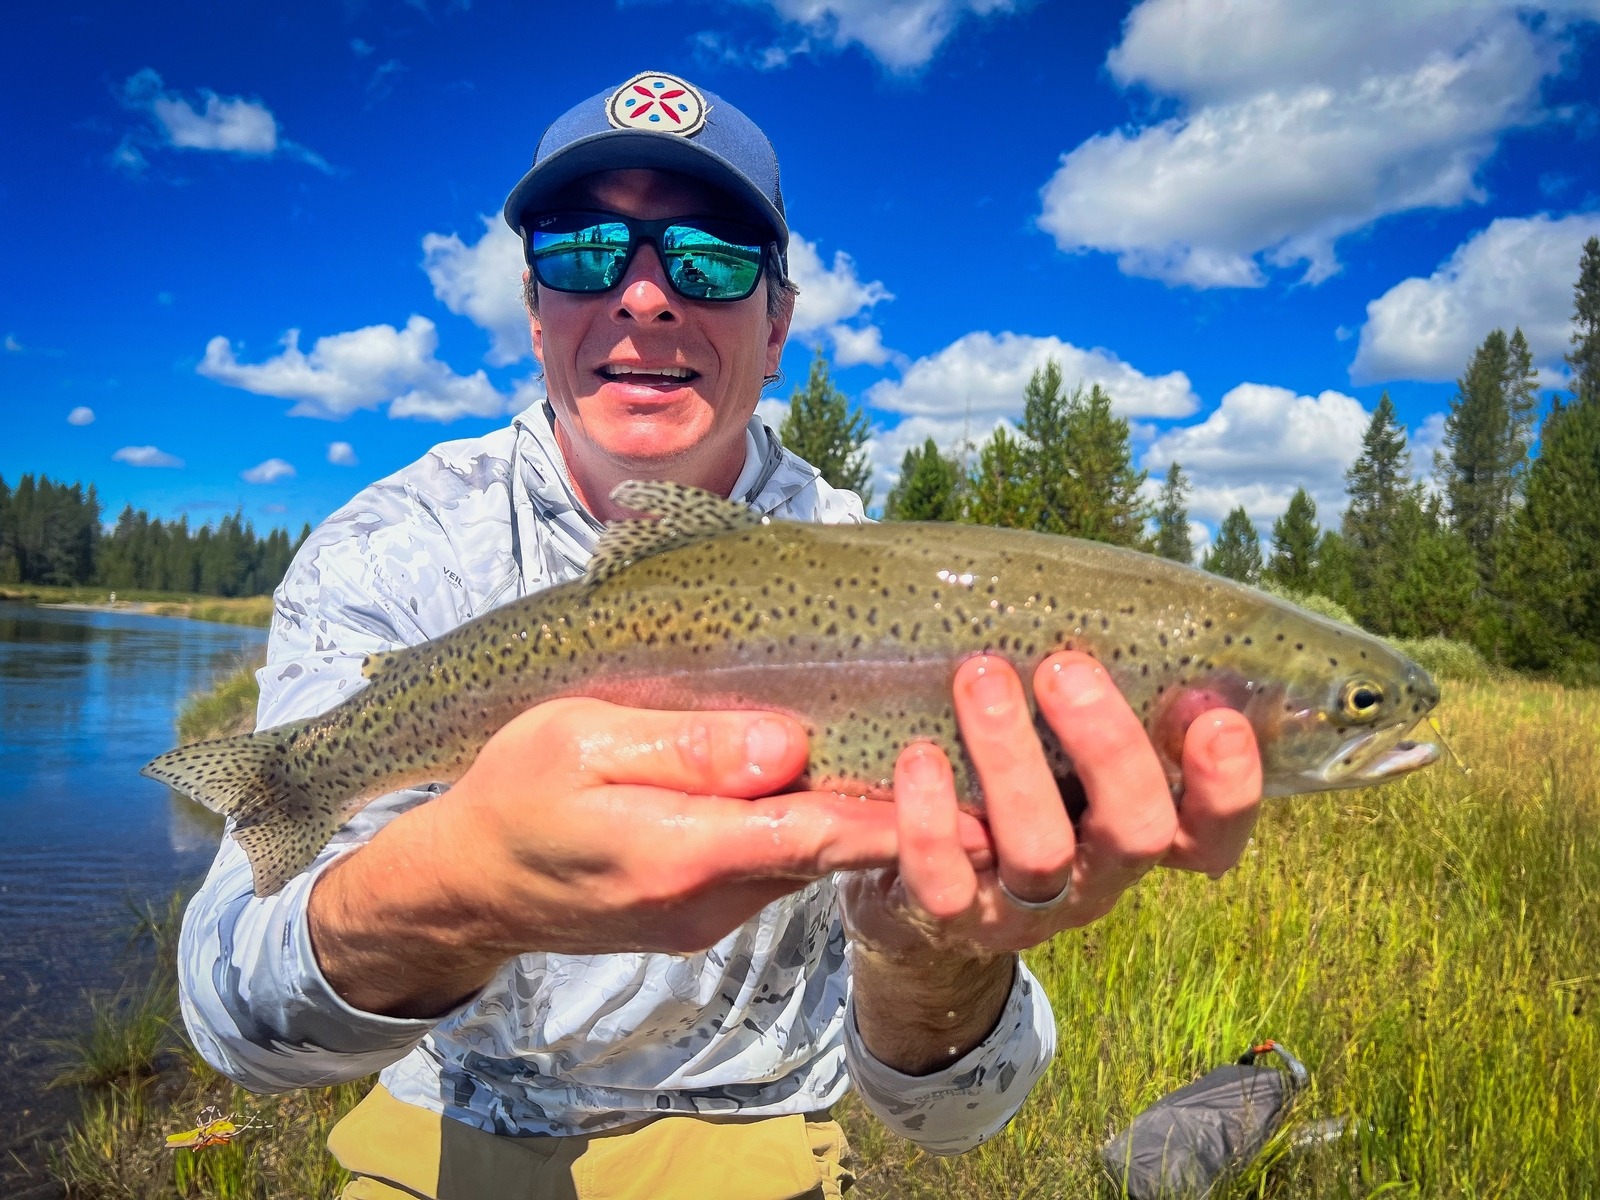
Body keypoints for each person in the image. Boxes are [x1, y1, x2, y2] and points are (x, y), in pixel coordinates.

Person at [178, 71, 1263, 1200]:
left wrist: (928, 945)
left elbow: (954, 1122)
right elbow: (234, 1024)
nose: (645, 298)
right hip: (441, 1135)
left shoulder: (895, 584)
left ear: (778, 321)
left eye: (707, 260)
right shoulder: (394, 548)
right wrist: (460, 888)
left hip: (763, 1147)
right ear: (535, 305)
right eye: (586, 251)